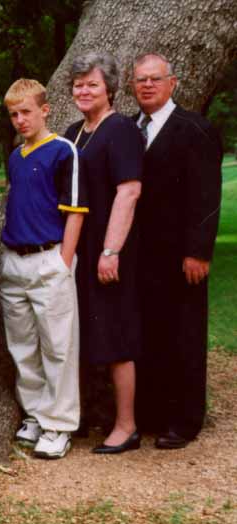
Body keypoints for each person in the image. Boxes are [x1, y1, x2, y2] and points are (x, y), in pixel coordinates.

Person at [132, 53, 222, 449]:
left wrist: (198, 251)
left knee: (182, 335)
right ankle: (151, 412)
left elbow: (206, 196)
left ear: (174, 83)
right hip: (141, 257)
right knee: (148, 334)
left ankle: (184, 420)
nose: (147, 85)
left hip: (182, 256)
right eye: (140, 80)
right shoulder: (131, 130)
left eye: (155, 79)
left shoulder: (194, 128)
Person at [0, 79, 87, 459]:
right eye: (14, 114)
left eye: (26, 112)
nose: (20, 120)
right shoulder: (16, 155)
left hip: (50, 259)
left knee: (58, 346)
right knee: (23, 345)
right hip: (14, 261)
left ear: (45, 110)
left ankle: (59, 424)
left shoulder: (63, 151)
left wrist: (63, 262)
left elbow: (75, 212)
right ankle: (35, 414)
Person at [64, 52, 143, 454]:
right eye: (78, 84)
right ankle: (74, 416)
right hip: (78, 247)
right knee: (79, 332)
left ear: (109, 89)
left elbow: (128, 191)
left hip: (110, 247)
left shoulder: (122, 130)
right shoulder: (74, 131)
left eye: (92, 84)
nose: (83, 90)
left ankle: (126, 425)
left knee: (115, 333)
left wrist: (111, 250)